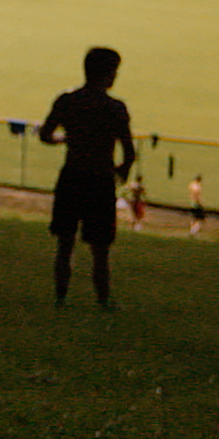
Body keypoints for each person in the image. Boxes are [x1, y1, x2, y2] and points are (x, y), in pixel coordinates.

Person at [40, 47, 138, 310]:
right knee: (100, 248)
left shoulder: (67, 100)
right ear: (107, 74)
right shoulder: (115, 108)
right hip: (100, 180)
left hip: (72, 175)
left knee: (65, 243)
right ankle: (103, 300)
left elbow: (45, 134)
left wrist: (63, 139)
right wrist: (120, 172)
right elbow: (129, 152)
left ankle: (61, 297)